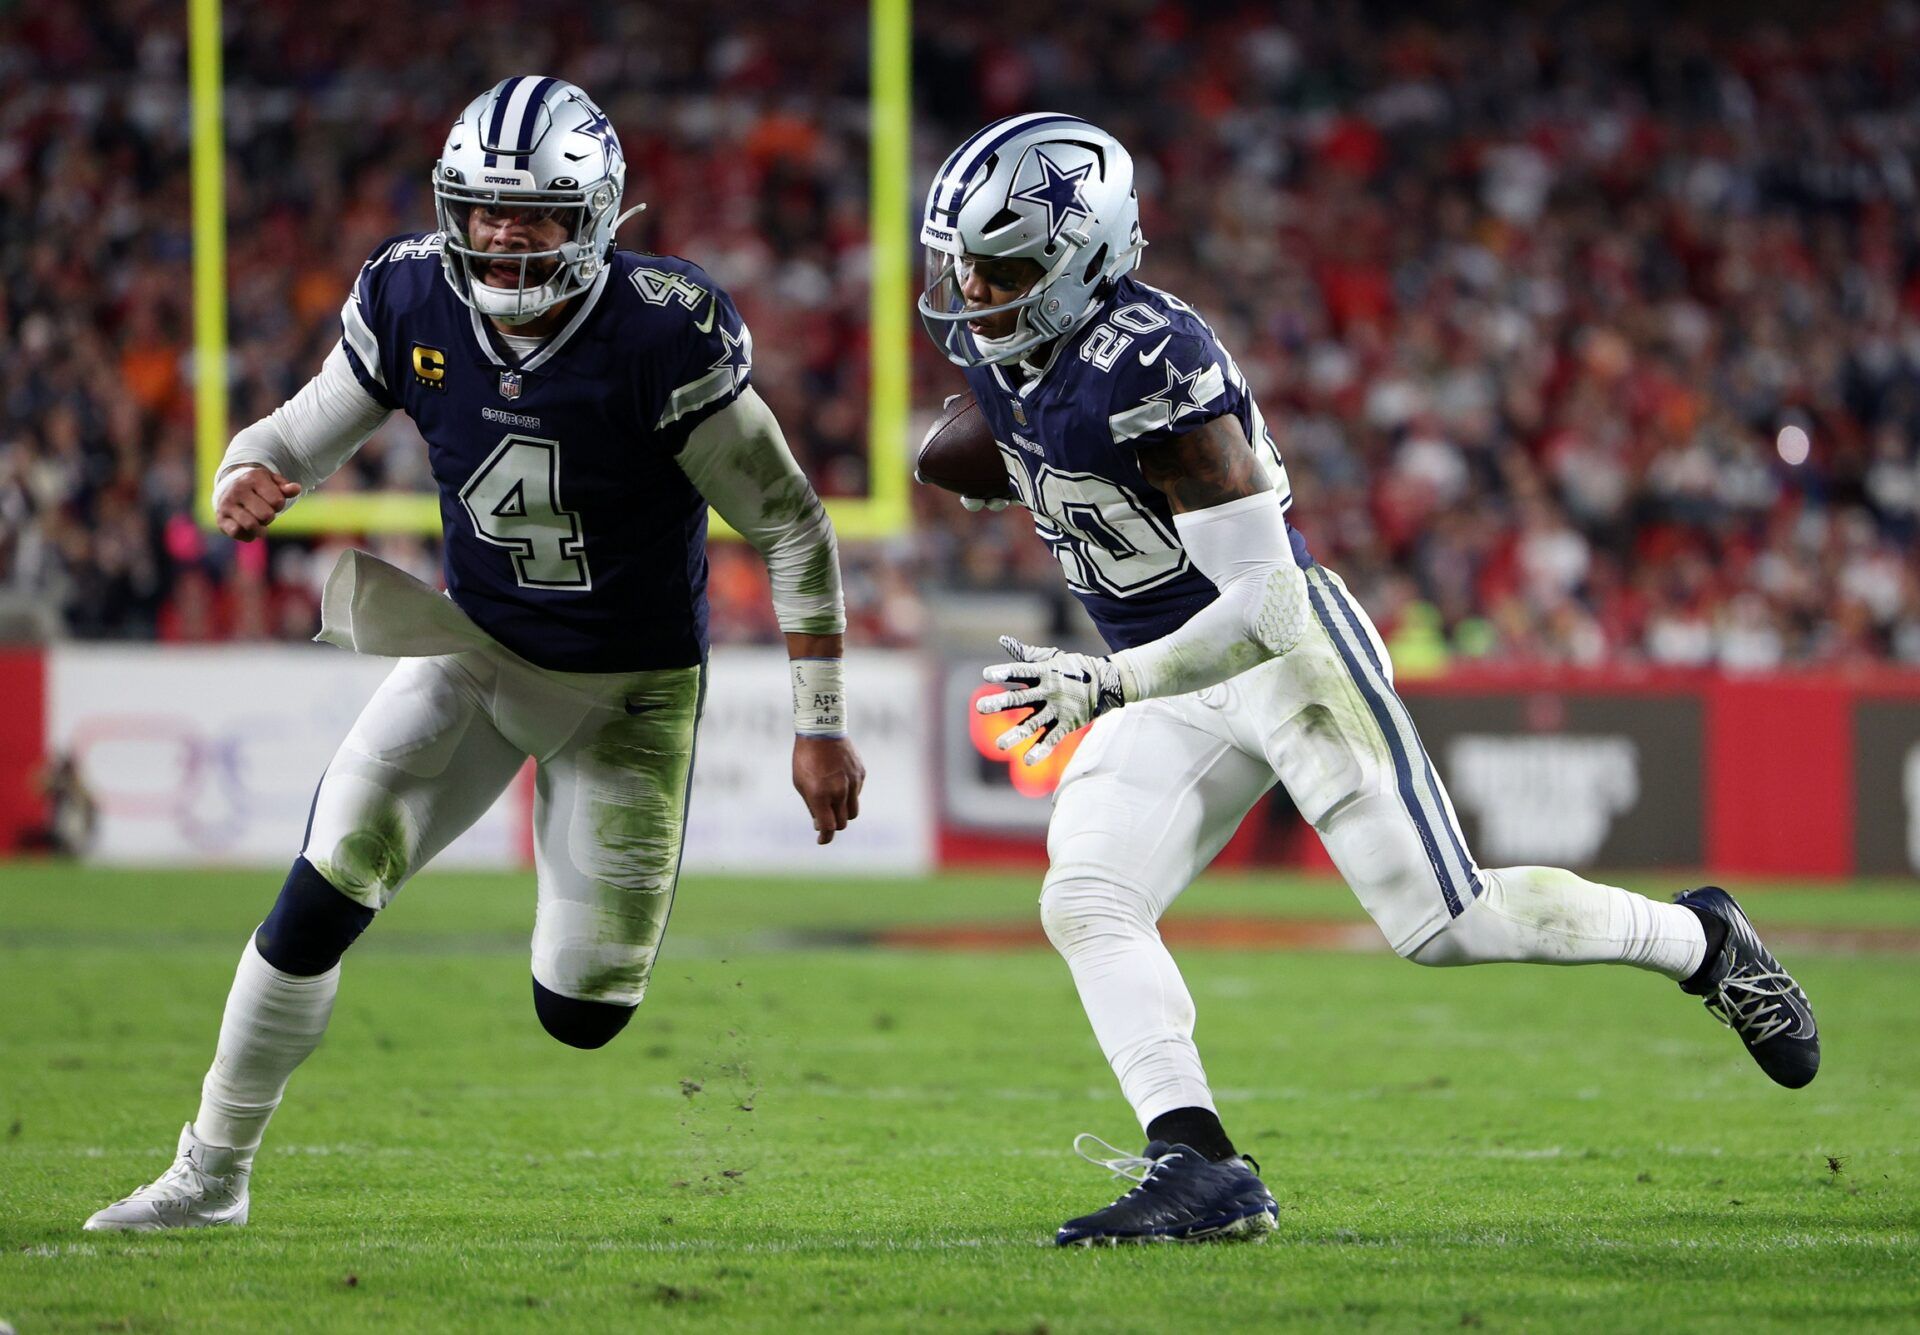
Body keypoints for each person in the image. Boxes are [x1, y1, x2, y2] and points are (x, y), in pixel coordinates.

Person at [918, 113, 1818, 1247]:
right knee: (1088, 898)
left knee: (1446, 923)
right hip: (1166, 675)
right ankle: (1197, 1165)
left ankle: (1700, 942)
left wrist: (1108, 684)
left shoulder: (1155, 359)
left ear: (1084, 255)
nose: (971, 292)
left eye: (999, 269)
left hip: (1280, 653)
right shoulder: (1011, 360)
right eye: (959, 264)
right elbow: (1027, 444)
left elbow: (1268, 600)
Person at [86, 77, 865, 1231]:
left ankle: (567, 912)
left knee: (582, 1011)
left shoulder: (663, 330)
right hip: (475, 652)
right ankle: (212, 1173)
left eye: (538, 212)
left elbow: (793, 526)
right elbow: (294, 434)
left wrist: (820, 720)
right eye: (488, 206)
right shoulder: (410, 297)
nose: (506, 232)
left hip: (632, 697)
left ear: (595, 217)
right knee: (326, 883)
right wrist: (244, 473)